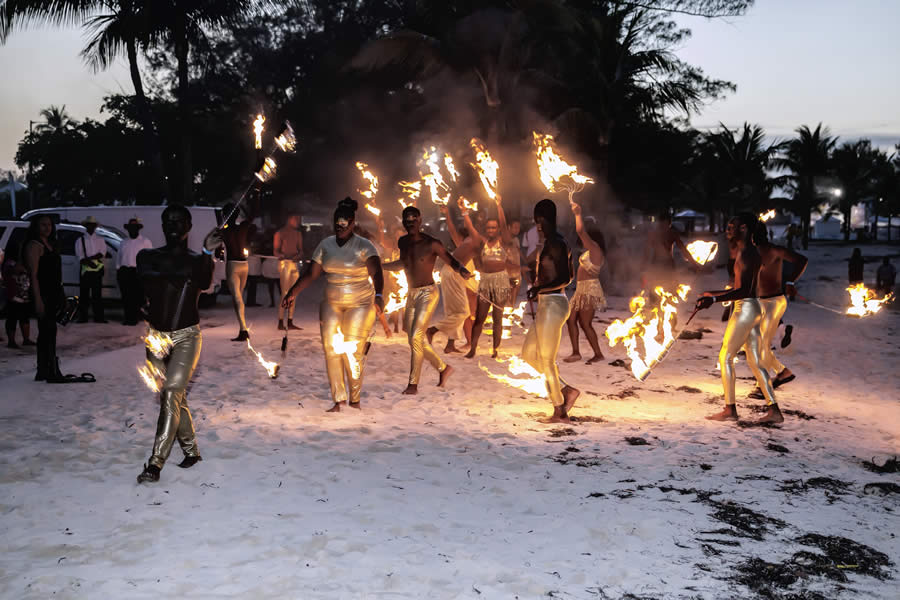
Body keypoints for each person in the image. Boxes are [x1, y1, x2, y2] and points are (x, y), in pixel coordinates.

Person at [136, 205, 220, 484]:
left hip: (187, 336)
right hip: (156, 336)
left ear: (189, 225)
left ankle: (155, 463)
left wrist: (208, 254)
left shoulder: (199, 259)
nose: (172, 225)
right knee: (171, 395)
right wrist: (191, 267)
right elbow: (152, 277)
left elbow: (205, 283)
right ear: (162, 225)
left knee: (172, 392)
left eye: (178, 220)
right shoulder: (146, 256)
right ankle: (191, 451)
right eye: (167, 221)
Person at [282, 198, 385, 412]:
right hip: (331, 303)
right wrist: (293, 292)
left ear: (352, 222)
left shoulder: (364, 246)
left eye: (344, 223)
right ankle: (339, 400)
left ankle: (355, 400)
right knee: (331, 349)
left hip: (361, 303)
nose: (340, 227)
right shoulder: (325, 245)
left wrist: (379, 295)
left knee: (352, 351)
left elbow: (377, 273)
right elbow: (311, 273)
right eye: (337, 223)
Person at [695, 213, 781, 424]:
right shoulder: (748, 252)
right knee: (754, 360)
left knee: (725, 357)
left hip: (746, 309)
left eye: (731, 226)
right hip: (753, 307)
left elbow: (743, 291)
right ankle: (774, 411)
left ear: (743, 229)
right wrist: (711, 294)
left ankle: (729, 410)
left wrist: (714, 299)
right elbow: (741, 289)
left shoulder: (747, 254)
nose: (728, 229)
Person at [384, 205, 471, 394]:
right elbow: (403, 263)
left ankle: (413, 384)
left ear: (420, 220)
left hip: (428, 294)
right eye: (407, 219)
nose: (410, 222)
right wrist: (381, 266)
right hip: (412, 294)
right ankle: (443, 368)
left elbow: (450, 259)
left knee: (416, 337)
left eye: (414, 219)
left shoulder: (432, 243)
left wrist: (462, 270)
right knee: (413, 337)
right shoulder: (403, 242)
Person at [522, 199, 580, 423]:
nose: (537, 225)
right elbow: (564, 275)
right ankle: (566, 389)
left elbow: (566, 278)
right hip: (548, 302)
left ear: (541, 219)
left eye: (537, 220)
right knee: (528, 354)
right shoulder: (550, 242)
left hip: (554, 304)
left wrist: (539, 288)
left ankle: (559, 411)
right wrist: (538, 289)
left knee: (546, 360)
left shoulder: (557, 242)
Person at [746, 222, 808, 399]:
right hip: (759, 303)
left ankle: (762, 387)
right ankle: (783, 372)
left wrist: (790, 282)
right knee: (753, 345)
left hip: (774, 301)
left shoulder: (774, 250)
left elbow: (802, 260)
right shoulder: (751, 253)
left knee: (762, 345)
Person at [462, 194, 517, 359]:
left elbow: (505, 226)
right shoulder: (482, 241)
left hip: (500, 281)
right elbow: (471, 230)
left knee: (498, 318)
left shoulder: (504, 240)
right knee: (480, 317)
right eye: (489, 228)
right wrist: (464, 212)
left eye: (494, 227)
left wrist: (499, 205)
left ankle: (495, 349)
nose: (491, 230)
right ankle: (473, 348)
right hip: (485, 281)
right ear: (486, 230)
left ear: (498, 229)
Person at [426, 204, 479, 353]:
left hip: (465, 280)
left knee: (456, 312)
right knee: (463, 313)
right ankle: (433, 330)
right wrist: (453, 213)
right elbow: (452, 229)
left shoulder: (470, 246)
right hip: (457, 278)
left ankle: (450, 344)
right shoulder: (464, 243)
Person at [563, 200, 607, 365]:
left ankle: (598, 353)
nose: (583, 240)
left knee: (585, 323)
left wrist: (578, 214)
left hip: (589, 290)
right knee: (571, 319)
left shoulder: (595, 249)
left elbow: (580, 231)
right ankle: (576, 353)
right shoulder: (590, 250)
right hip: (581, 289)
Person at [24, 216, 65, 381]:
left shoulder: (52, 245)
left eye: (49, 225)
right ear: (36, 226)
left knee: (50, 331)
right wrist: (38, 299)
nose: (47, 228)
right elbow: (33, 275)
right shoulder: (34, 245)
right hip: (43, 293)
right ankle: (45, 368)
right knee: (46, 331)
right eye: (43, 225)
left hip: (54, 292)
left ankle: (47, 368)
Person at [222, 201, 257, 341]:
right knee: (239, 298)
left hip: (233, 266)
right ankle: (242, 329)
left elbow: (218, 249)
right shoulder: (243, 227)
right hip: (244, 265)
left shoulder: (224, 231)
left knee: (237, 298)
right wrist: (256, 194)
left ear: (226, 215)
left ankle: (243, 330)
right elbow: (253, 214)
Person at [117, 218, 153, 326]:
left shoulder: (145, 242)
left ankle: (137, 318)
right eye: (130, 228)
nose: (132, 230)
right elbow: (119, 258)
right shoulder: (124, 242)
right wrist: (118, 270)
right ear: (128, 230)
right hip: (125, 271)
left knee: (138, 296)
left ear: (138, 229)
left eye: (134, 228)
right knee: (126, 296)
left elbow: (150, 258)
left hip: (137, 271)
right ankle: (128, 318)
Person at [274, 213, 304, 330]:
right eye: (296, 219)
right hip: (285, 264)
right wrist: (282, 255)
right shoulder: (280, 233)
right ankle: (281, 321)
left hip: (294, 264)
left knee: (294, 292)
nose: (297, 221)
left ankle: (290, 320)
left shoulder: (298, 234)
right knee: (285, 292)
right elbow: (275, 251)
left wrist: (298, 256)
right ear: (290, 219)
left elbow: (301, 250)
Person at [75, 216, 107, 323]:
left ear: (95, 227)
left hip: (96, 270)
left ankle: (99, 318)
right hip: (85, 270)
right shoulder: (80, 240)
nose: (91, 227)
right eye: (89, 225)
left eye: (93, 225)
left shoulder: (100, 239)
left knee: (97, 295)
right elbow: (80, 257)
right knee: (84, 295)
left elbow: (102, 253)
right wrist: (89, 262)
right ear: (86, 226)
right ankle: (83, 318)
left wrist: (89, 260)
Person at [3, 241, 34, 348]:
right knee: (12, 318)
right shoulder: (10, 263)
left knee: (24, 317)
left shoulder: (18, 262)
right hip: (14, 296)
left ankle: (26, 339)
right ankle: (11, 341)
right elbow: (17, 270)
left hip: (24, 295)